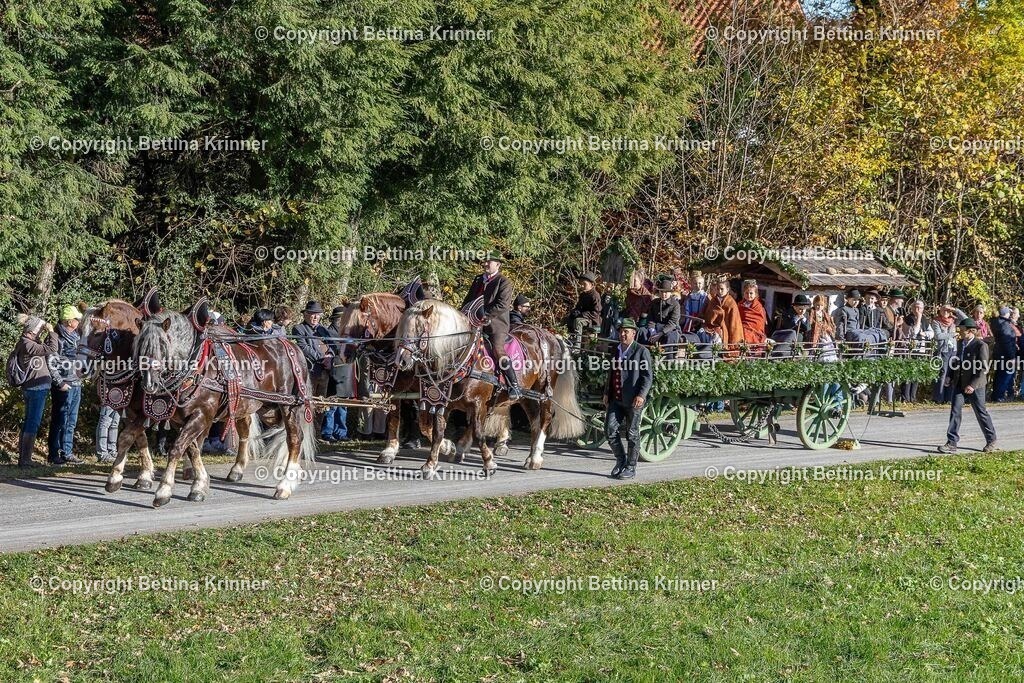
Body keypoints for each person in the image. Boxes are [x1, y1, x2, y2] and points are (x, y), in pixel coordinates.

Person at [462, 253, 520, 398]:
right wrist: (461, 313)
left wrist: (483, 315)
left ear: (498, 265)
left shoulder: (504, 282)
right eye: (485, 261)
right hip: (474, 323)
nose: (486, 264)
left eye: (490, 261)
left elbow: (502, 305)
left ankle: (514, 385)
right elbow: (468, 300)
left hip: (496, 325)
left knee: (498, 350)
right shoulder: (478, 280)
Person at [938, 318, 998, 453]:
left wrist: (972, 385)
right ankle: (951, 443)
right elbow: (955, 361)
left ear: (971, 331)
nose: (959, 331)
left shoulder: (981, 345)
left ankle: (991, 439)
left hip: (975, 385)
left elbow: (983, 368)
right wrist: (949, 375)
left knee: (981, 412)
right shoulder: (960, 343)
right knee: (955, 411)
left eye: (962, 329)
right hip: (960, 383)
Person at [604, 318, 653, 480]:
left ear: (634, 333)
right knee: (610, 431)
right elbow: (611, 374)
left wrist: (641, 395)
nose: (623, 334)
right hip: (616, 399)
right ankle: (621, 460)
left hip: (633, 400)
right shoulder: (615, 349)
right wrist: (606, 393)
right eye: (621, 331)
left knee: (632, 434)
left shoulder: (641, 351)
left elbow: (647, 377)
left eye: (626, 331)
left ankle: (631, 467)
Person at [12, 315, 59, 467]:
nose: (40, 333)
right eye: (39, 330)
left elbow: (45, 349)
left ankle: (24, 458)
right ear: (33, 331)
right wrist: (51, 331)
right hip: (35, 388)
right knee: (32, 422)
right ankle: (25, 460)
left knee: (29, 421)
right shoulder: (27, 344)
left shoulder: (29, 343)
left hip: (35, 388)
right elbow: (52, 348)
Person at [48, 304, 85, 465]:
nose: (79, 321)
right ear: (70, 321)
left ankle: (67, 452)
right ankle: (53, 453)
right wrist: (60, 383)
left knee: (72, 420)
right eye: (77, 319)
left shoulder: (78, 336)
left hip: (76, 383)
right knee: (59, 420)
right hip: (63, 385)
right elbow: (50, 363)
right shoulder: (57, 337)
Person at [293, 301, 335, 428]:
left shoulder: (323, 329)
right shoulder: (299, 328)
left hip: (325, 371)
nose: (315, 317)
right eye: (312, 314)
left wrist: (330, 356)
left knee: (321, 402)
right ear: (305, 314)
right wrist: (322, 358)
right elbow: (304, 347)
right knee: (308, 401)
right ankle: (305, 429)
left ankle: (317, 431)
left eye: (318, 314)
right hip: (310, 371)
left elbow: (332, 345)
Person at [320, 306, 356, 442]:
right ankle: (327, 432)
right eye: (340, 319)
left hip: (346, 372)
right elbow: (328, 350)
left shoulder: (349, 334)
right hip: (333, 371)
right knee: (331, 404)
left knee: (343, 406)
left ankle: (341, 432)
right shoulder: (328, 332)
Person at [899, 300, 935, 402]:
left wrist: (925, 334)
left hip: (921, 349)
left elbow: (931, 333)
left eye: (920, 308)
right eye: (916, 307)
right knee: (908, 373)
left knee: (917, 374)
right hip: (910, 349)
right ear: (912, 308)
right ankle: (905, 397)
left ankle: (913, 397)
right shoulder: (908, 319)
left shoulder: (924, 319)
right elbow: (914, 332)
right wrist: (918, 319)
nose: (918, 310)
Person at [699, 276, 744, 349]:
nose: (720, 291)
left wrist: (722, 329)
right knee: (702, 334)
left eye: (722, 289)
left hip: (725, 330)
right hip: (712, 328)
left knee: (717, 339)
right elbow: (708, 317)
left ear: (727, 289)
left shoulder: (731, 303)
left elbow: (734, 323)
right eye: (718, 289)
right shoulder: (713, 301)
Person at [932, 304, 963, 404]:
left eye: (947, 310)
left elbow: (966, 319)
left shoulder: (953, 321)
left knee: (951, 374)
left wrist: (955, 309)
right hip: (943, 350)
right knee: (942, 373)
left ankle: (949, 398)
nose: (946, 312)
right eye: (943, 310)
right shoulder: (936, 321)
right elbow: (938, 335)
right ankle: (938, 398)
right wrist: (952, 335)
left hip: (953, 349)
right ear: (940, 311)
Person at [639, 279, 682, 348]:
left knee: (671, 336)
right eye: (661, 291)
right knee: (641, 331)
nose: (663, 294)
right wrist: (652, 331)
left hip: (670, 329)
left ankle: (667, 357)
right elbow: (650, 318)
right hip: (655, 327)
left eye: (666, 292)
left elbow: (673, 322)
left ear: (670, 293)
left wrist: (661, 333)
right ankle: (643, 354)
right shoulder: (654, 302)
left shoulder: (675, 304)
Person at [989, 306, 1017, 402]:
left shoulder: (997, 322)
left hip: (998, 353)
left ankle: (996, 395)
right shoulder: (1005, 324)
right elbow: (1006, 341)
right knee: (1005, 376)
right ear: (1006, 313)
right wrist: (1012, 356)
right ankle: (999, 396)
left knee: (999, 375)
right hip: (1005, 355)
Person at [565, 272, 602, 337]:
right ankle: (568, 337)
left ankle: (577, 343)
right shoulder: (583, 295)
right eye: (581, 284)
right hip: (583, 317)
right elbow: (578, 307)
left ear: (592, 285)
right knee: (567, 318)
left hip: (592, 320)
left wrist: (582, 314)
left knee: (578, 321)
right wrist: (575, 312)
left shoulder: (595, 295)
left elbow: (596, 312)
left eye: (584, 284)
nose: (582, 286)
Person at [737, 279, 768, 346]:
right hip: (741, 329)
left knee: (746, 334)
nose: (748, 295)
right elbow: (737, 319)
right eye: (746, 293)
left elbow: (758, 323)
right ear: (743, 293)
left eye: (751, 293)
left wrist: (750, 328)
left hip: (755, 332)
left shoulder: (758, 307)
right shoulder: (740, 305)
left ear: (755, 294)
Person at [808, 294, 838, 361]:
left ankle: (829, 359)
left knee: (828, 343)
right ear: (814, 304)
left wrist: (825, 326)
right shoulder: (812, 312)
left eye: (821, 305)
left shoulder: (824, 313)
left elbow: (828, 323)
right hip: (815, 332)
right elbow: (811, 322)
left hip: (824, 332)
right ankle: (818, 359)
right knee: (819, 344)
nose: (819, 307)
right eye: (817, 305)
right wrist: (818, 325)